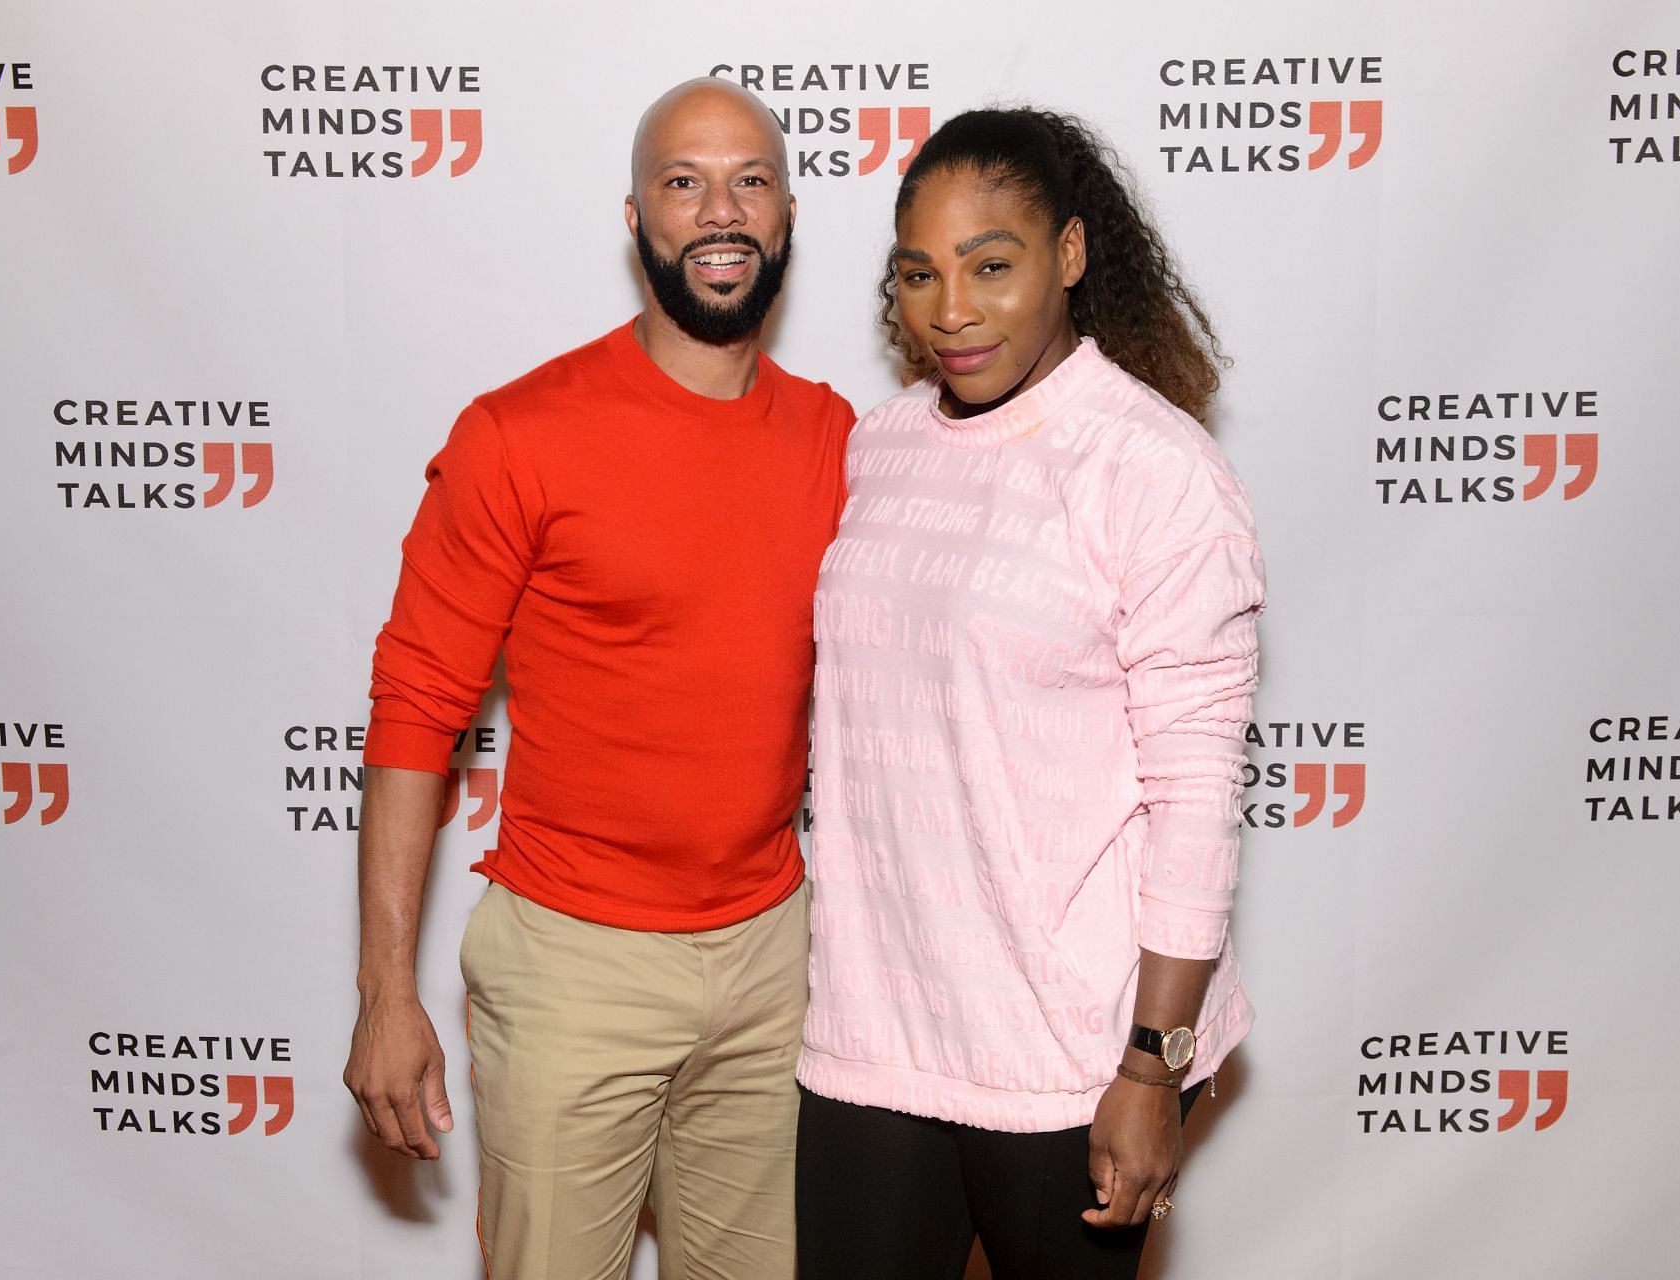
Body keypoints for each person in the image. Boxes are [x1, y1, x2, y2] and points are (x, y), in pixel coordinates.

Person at [342, 77, 853, 1280]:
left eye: (749, 181)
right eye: (684, 182)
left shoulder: (841, 439)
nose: (719, 210)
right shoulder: (519, 434)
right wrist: (384, 992)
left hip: (776, 962)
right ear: (637, 218)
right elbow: (417, 707)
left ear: (785, 216)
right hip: (575, 965)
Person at [795, 107, 1264, 1279]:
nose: (950, 308)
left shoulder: (1153, 470)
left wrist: (1153, 1064)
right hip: (876, 1029)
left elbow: (1196, 791)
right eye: (920, 273)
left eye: (991, 265)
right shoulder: (882, 443)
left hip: (1075, 1046)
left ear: (1067, 255)